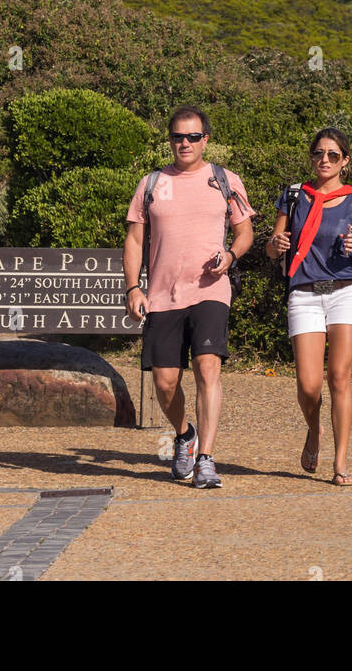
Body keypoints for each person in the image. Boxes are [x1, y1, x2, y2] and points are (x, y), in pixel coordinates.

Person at [123, 106, 255, 489]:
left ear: (205, 140)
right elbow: (134, 239)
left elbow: (244, 232)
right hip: (163, 295)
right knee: (164, 382)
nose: (185, 143)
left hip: (211, 290)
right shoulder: (151, 184)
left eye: (193, 137)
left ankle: (206, 460)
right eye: (178, 136)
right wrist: (134, 287)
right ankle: (184, 435)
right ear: (170, 140)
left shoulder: (225, 180)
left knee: (207, 367)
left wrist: (230, 256)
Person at [266, 127, 352, 485]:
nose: (324, 160)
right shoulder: (295, 196)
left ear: (345, 161)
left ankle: (340, 461)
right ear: (311, 157)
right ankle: (313, 431)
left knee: (339, 378)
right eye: (318, 153)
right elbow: (271, 248)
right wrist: (276, 243)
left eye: (332, 155)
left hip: (345, 290)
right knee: (308, 385)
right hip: (305, 292)